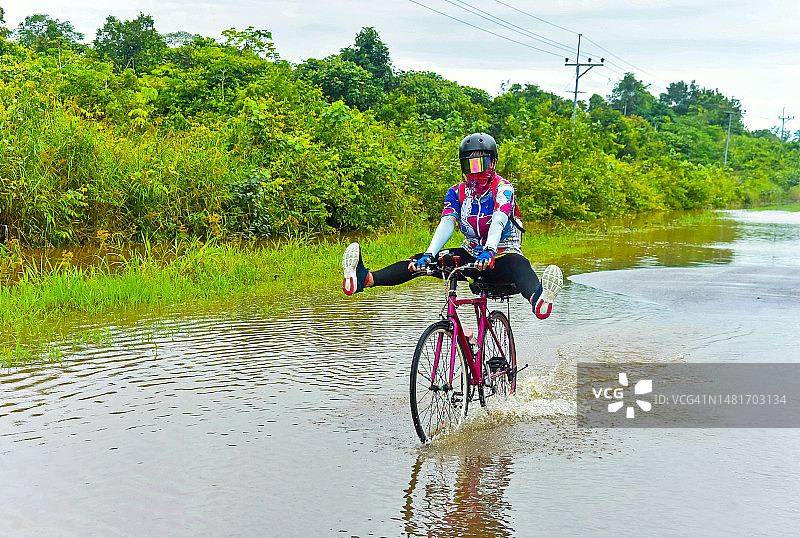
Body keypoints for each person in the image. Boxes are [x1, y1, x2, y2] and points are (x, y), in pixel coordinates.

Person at [341, 132, 562, 317]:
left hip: (502, 255)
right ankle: (365, 279)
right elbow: (447, 222)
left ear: (493, 162)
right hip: (471, 254)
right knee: (420, 261)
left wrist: (490, 250)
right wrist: (429, 253)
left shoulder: (503, 189)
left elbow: (499, 220)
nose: (476, 171)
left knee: (518, 265)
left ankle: (539, 298)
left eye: (482, 163)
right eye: (470, 164)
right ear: (463, 166)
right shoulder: (457, 192)